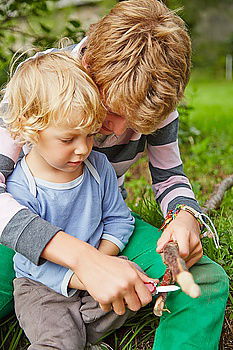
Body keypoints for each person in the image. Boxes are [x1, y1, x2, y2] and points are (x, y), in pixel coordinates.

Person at [0, 1, 229, 349]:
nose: (117, 129)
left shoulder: (151, 97)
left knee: (203, 280)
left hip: (99, 223)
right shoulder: (40, 84)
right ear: (88, 62)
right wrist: (82, 259)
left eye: (135, 122)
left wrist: (183, 215)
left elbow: (169, 177)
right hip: (18, 235)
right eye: (109, 108)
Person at [3, 50, 147, 349]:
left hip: (94, 270)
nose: (83, 150)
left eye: (90, 135)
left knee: (133, 293)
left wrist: (103, 264)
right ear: (29, 128)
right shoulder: (22, 186)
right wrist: (85, 275)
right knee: (60, 339)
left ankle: (84, 337)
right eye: (68, 139)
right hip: (42, 286)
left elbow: (119, 219)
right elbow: (32, 261)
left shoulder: (98, 168)